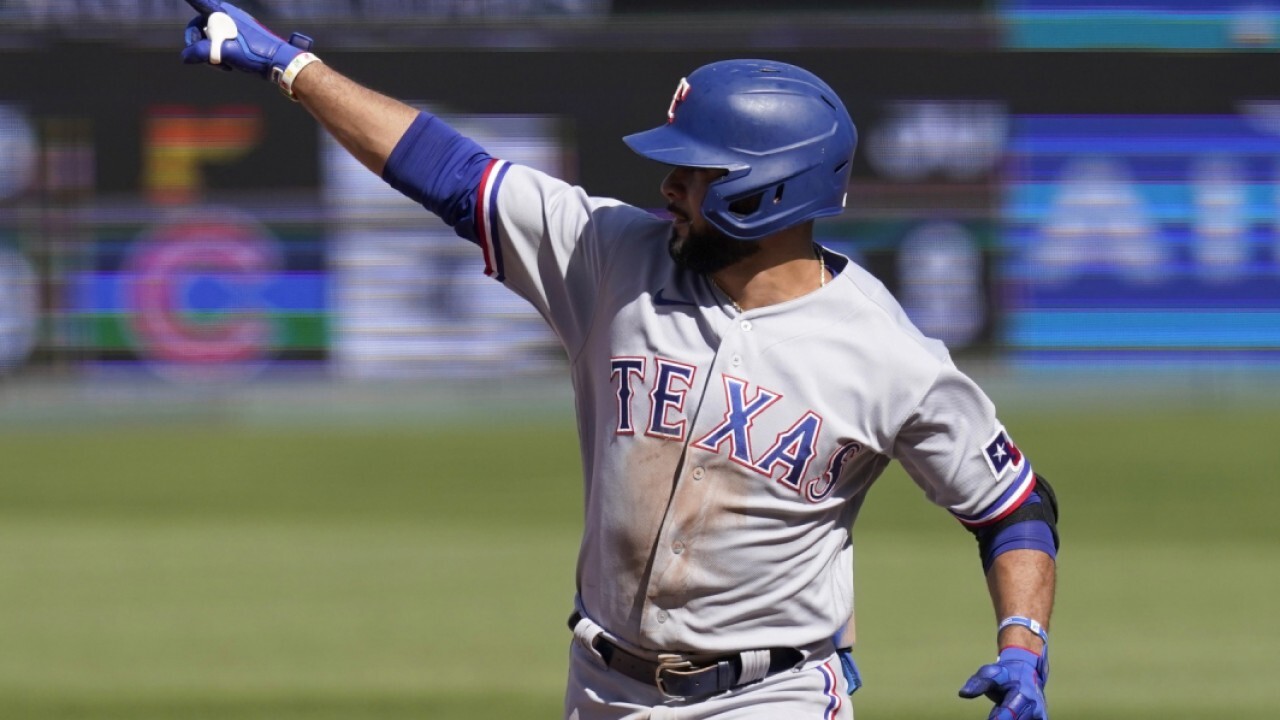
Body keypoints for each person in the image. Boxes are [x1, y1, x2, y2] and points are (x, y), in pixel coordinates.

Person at [178, 2, 1060, 718]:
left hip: (770, 697)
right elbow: (447, 172)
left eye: (695, 172)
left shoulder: (886, 353)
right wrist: (292, 68)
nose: (668, 188)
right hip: (600, 686)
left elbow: (1012, 507)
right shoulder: (610, 255)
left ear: (770, 188)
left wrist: (1022, 642)